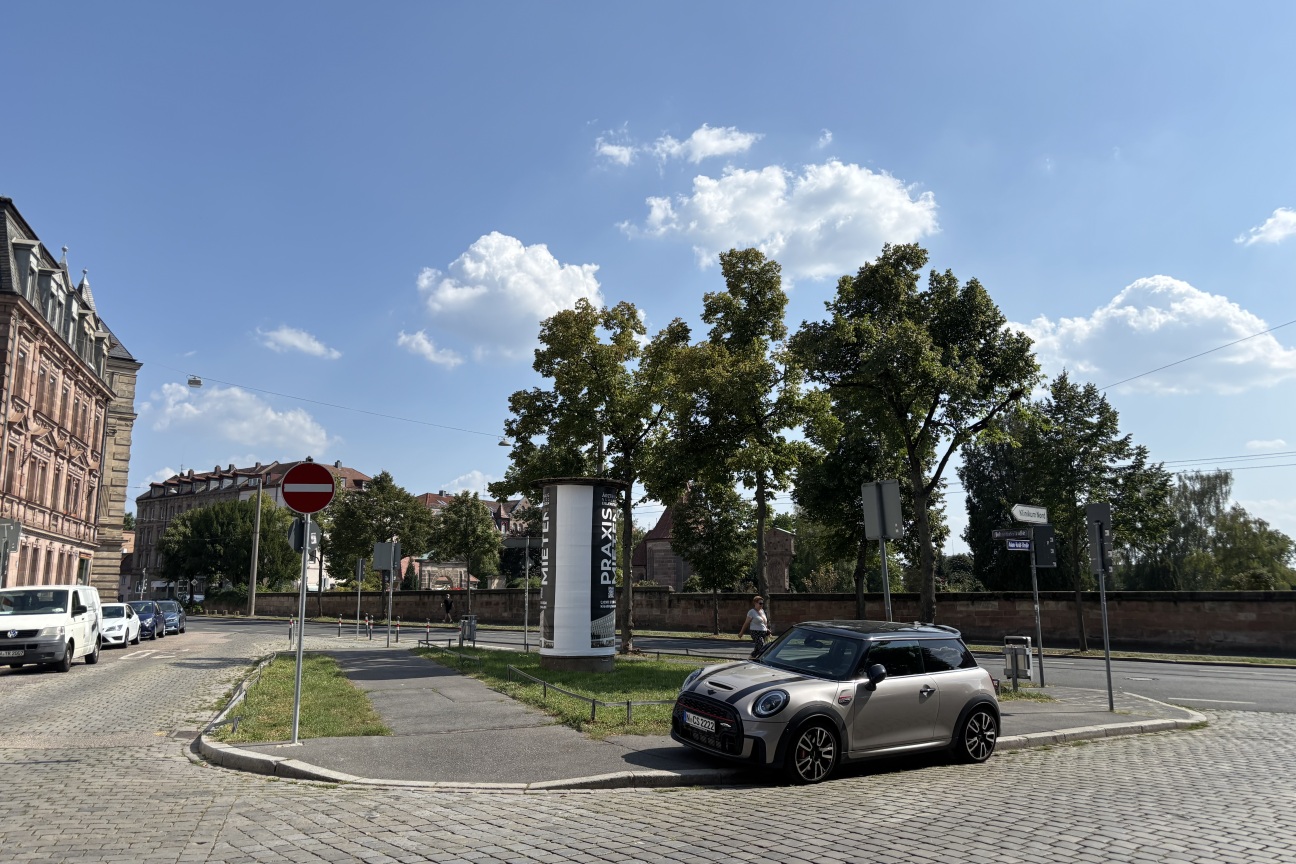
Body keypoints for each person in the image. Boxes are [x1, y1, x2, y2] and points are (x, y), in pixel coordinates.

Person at [738, 595, 770, 660]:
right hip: (755, 632)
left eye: (762, 603)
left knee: (757, 649)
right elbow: (746, 623)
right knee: (762, 646)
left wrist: (767, 630)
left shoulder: (762, 611)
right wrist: (741, 633)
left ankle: (749, 660)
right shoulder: (751, 612)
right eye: (760, 603)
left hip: (763, 633)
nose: (761, 605)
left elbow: (764, 623)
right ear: (755, 603)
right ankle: (762, 660)